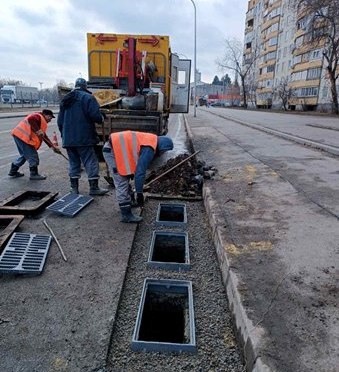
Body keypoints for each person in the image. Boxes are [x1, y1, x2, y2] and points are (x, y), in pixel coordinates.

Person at [102, 130, 174, 223]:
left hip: (116, 148)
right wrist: (139, 193)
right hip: (112, 151)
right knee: (121, 180)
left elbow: (135, 158)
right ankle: (126, 215)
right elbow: (140, 173)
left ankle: (129, 201)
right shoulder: (149, 148)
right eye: (164, 151)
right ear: (162, 146)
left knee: (125, 176)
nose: (163, 153)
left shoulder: (151, 139)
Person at [57, 78, 108, 195]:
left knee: (73, 162)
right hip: (84, 138)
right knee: (90, 161)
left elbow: (60, 122)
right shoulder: (88, 98)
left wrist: (64, 135)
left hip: (68, 139)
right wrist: (102, 117)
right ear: (85, 86)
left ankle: (73, 189)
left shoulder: (66, 99)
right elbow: (95, 116)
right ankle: (94, 188)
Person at [9, 109, 60, 180]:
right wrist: (37, 130)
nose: (50, 120)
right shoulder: (38, 116)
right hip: (23, 137)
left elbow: (44, 136)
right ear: (45, 115)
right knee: (33, 155)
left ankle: (13, 171)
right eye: (50, 118)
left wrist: (52, 147)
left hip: (19, 135)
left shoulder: (40, 121)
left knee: (25, 155)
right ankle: (34, 174)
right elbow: (31, 119)